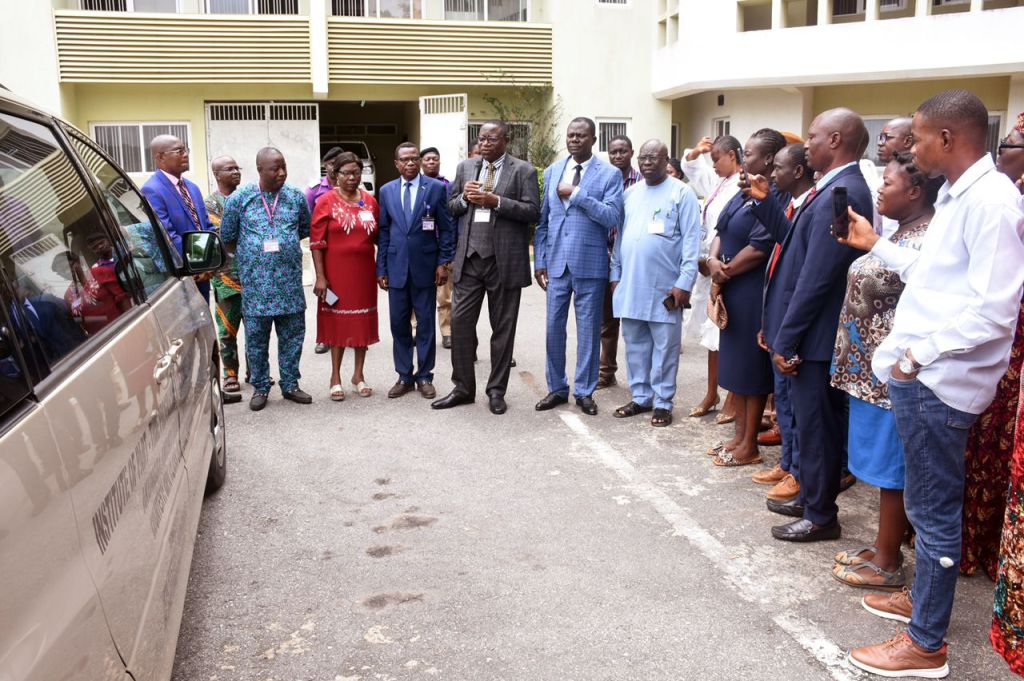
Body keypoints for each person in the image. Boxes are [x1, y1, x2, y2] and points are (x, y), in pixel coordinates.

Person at [840, 90, 1024, 679]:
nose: (909, 149)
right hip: (924, 374)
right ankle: (921, 602)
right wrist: (878, 245)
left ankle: (925, 644)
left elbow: (994, 311)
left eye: (917, 138)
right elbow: (935, 276)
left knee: (934, 509)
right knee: (926, 504)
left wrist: (916, 357)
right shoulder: (958, 193)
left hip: (940, 379)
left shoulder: (992, 202)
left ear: (947, 138)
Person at [748, 108, 873, 542]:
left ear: (835, 140)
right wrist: (764, 204)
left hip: (814, 338)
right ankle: (813, 498)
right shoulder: (831, 188)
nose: (807, 144)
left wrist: (786, 339)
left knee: (818, 429)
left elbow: (817, 276)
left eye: (814, 136)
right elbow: (794, 245)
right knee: (812, 425)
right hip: (811, 334)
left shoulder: (845, 191)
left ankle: (820, 516)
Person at [829, 152, 941, 591]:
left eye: (888, 183)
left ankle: (888, 561)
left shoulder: (929, 239)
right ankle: (883, 546)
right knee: (880, 469)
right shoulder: (898, 234)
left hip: (893, 379)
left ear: (914, 191)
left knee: (893, 470)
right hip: (868, 375)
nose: (880, 190)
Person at [431, 120, 540, 415]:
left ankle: (496, 391)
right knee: (460, 325)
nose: (485, 144)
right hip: (469, 259)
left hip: (504, 261)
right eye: (481, 139)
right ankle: (463, 388)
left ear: (506, 140)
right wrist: (464, 198)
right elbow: (451, 207)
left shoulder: (523, 171)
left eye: (491, 139)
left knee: (502, 329)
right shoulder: (466, 167)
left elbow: (533, 212)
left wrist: (497, 201)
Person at [706, 129, 788, 467]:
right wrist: (713, 261)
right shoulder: (743, 190)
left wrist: (723, 271)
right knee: (735, 369)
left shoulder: (774, 196)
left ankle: (749, 446)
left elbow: (760, 247)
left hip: (752, 289)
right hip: (732, 286)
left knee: (751, 371)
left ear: (768, 159)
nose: (743, 158)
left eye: (749, 153)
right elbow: (721, 230)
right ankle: (739, 436)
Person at [534, 117, 624, 416]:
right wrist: (541, 260)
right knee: (553, 329)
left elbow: (611, 217)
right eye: (571, 135)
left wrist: (576, 194)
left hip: (590, 264)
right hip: (557, 264)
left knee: (588, 331)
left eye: (581, 135)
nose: (574, 139)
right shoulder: (552, 171)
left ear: (593, 140)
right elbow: (544, 221)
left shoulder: (609, 174)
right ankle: (557, 388)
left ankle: (584, 391)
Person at [610, 139, 700, 428]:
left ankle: (663, 402)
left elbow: (692, 242)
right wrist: (615, 276)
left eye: (653, 158)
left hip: (666, 288)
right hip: (631, 284)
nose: (647, 162)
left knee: (665, 349)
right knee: (635, 345)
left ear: (666, 161)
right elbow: (620, 239)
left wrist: (684, 282)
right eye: (643, 158)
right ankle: (640, 397)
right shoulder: (630, 194)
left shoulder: (682, 193)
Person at [746, 143, 814, 505]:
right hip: (778, 319)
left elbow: (802, 272)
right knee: (784, 401)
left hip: (795, 324)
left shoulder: (812, 206)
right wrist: (769, 322)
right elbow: (783, 250)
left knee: (797, 406)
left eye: (780, 168)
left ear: (798, 171)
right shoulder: (791, 205)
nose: (772, 175)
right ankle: (787, 463)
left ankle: (799, 471)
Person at [221, 147, 313, 412]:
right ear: (260, 169)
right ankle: (261, 387)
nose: (282, 173)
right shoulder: (240, 198)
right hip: (256, 287)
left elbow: (303, 230)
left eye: (284, 167)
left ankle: (290, 384)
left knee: (292, 337)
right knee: (256, 341)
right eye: (275, 168)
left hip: (289, 285)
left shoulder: (295, 196)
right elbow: (228, 237)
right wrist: (249, 262)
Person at [376, 143, 455, 400]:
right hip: (396, 267)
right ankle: (404, 376)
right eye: (404, 159)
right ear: (396, 163)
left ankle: (424, 376)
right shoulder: (386, 191)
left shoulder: (435, 188)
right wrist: (381, 268)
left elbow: (446, 228)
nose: (410, 163)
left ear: (419, 161)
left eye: (414, 159)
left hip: (426, 267)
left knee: (425, 324)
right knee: (399, 324)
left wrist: (443, 263)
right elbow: (384, 231)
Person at [310, 151, 381, 402]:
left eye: (356, 173)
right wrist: (320, 277)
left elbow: (378, 237)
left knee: (361, 323)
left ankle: (358, 376)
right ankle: (335, 377)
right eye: (346, 173)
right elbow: (317, 243)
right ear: (336, 174)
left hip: (364, 273)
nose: (352, 177)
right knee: (338, 324)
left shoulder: (370, 201)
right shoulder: (325, 201)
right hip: (335, 274)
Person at [682, 135, 743, 422]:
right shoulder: (721, 181)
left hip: (730, 267)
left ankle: (732, 397)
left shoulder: (744, 184)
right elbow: (693, 170)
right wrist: (697, 152)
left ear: (732, 155)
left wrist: (716, 262)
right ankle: (711, 393)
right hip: (710, 264)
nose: (713, 164)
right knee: (712, 333)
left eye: (717, 158)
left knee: (728, 334)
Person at [140, 134, 214, 297]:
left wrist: (208, 263)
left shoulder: (192, 188)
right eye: (179, 151)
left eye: (186, 150)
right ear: (160, 157)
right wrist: (197, 264)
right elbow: (167, 235)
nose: (185, 155)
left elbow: (205, 226)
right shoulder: (152, 190)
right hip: (182, 276)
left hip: (203, 274)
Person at [597, 134, 643, 390]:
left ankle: (641, 378)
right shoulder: (603, 180)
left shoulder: (644, 182)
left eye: (622, 151)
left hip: (635, 259)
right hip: (607, 257)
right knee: (608, 319)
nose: (617, 156)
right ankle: (606, 371)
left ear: (631, 152)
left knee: (637, 320)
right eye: (613, 152)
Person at [205, 155, 246, 393]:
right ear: (217, 174)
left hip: (253, 276)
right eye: (229, 169)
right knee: (227, 329)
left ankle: (257, 371)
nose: (235, 172)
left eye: (237, 167)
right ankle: (230, 374)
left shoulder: (248, 198)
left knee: (256, 329)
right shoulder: (210, 204)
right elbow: (223, 235)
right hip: (226, 277)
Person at [308, 147, 343, 355]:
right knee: (326, 294)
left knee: (345, 293)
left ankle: (345, 332)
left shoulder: (352, 189)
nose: (335, 167)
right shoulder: (314, 191)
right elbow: (307, 222)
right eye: (331, 163)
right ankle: (325, 337)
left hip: (345, 252)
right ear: (325, 165)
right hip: (323, 251)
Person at [421, 146, 456, 349]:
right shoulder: (415, 185)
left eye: (435, 158)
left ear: (440, 161)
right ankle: (415, 329)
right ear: (421, 163)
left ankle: (447, 331)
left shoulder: (448, 186)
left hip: (442, 245)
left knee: (445, 294)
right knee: (418, 292)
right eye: (427, 159)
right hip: (422, 246)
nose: (431, 162)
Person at [874, 118, 913, 237]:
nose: (880, 143)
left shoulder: (922, 179)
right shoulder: (881, 178)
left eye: (886, 137)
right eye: (880, 138)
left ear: (908, 141)